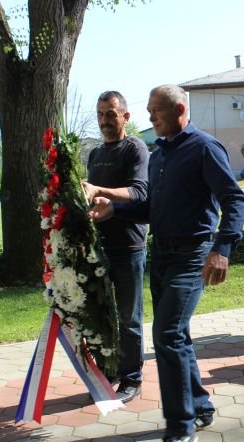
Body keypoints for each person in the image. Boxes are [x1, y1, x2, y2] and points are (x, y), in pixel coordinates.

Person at [90, 84, 244, 442]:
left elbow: (234, 199)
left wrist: (222, 249)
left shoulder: (204, 148)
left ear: (178, 110)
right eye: (148, 110)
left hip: (192, 255)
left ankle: (180, 428)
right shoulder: (160, 155)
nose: (149, 117)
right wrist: (115, 210)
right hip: (161, 254)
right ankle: (200, 406)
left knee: (167, 334)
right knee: (177, 336)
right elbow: (152, 209)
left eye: (155, 110)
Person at [82, 90, 149, 403]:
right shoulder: (95, 154)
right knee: (100, 314)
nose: (104, 120)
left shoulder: (135, 148)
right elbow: (92, 198)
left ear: (125, 116)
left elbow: (139, 193)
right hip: (99, 246)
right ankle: (108, 374)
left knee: (128, 316)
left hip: (129, 246)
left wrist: (99, 189)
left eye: (110, 114)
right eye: (100, 114)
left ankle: (132, 378)